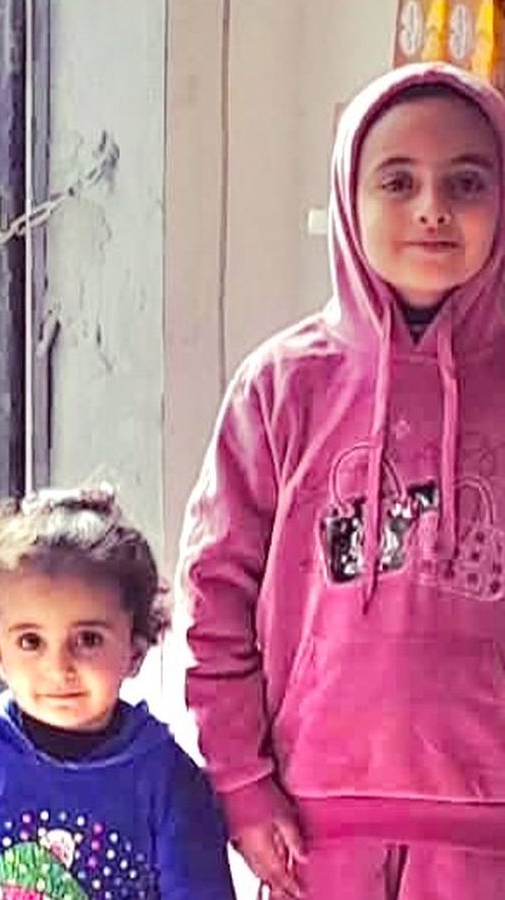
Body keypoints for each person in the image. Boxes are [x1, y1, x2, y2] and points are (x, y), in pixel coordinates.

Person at [179, 63, 505, 899]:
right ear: (348, 198)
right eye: (398, 181)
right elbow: (214, 599)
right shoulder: (281, 386)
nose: (432, 207)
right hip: (313, 828)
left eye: (467, 181)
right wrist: (241, 783)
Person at [0, 487, 234, 899]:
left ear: (136, 649)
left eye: (88, 639)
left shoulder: (169, 779)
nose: (58, 668)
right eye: (31, 641)